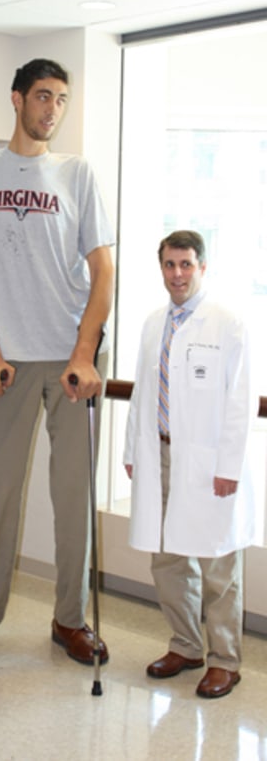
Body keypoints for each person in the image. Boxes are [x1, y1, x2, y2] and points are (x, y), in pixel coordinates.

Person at [0, 58, 115, 668]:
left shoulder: (78, 173)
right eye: (43, 97)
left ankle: (70, 619)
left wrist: (85, 353)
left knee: (73, 497)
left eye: (62, 100)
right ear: (16, 100)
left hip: (70, 361)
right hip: (7, 358)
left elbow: (103, 271)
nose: (52, 110)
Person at [124, 229, 257, 699]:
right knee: (168, 558)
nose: (177, 274)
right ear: (160, 268)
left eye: (185, 265)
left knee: (218, 561)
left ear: (202, 267)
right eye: (169, 265)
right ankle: (186, 644)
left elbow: (239, 400)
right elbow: (143, 391)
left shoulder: (227, 322)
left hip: (206, 457)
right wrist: (131, 451)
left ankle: (225, 660)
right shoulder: (153, 321)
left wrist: (229, 466)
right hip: (159, 451)